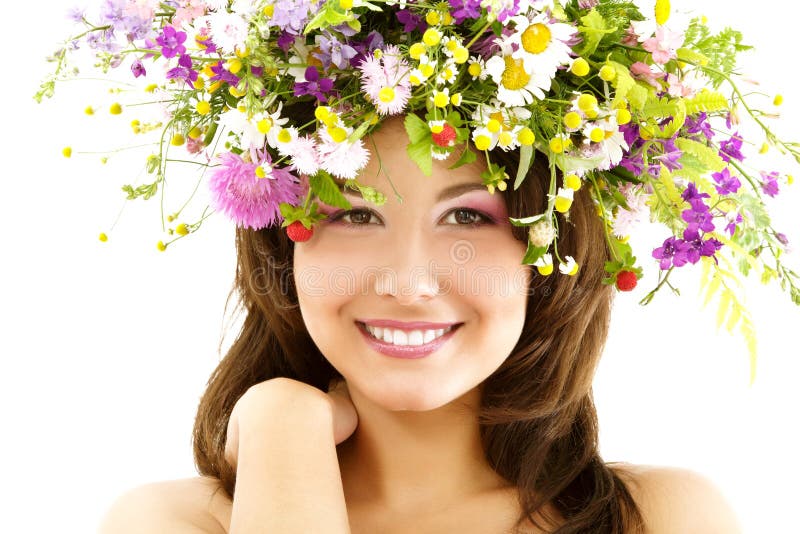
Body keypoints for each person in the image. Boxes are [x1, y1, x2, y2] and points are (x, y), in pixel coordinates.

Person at [97, 115, 742, 532]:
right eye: (354, 215)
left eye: (468, 217)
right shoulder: (170, 523)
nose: (407, 283)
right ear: (281, 248)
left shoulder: (655, 520)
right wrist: (282, 426)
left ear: (549, 254)